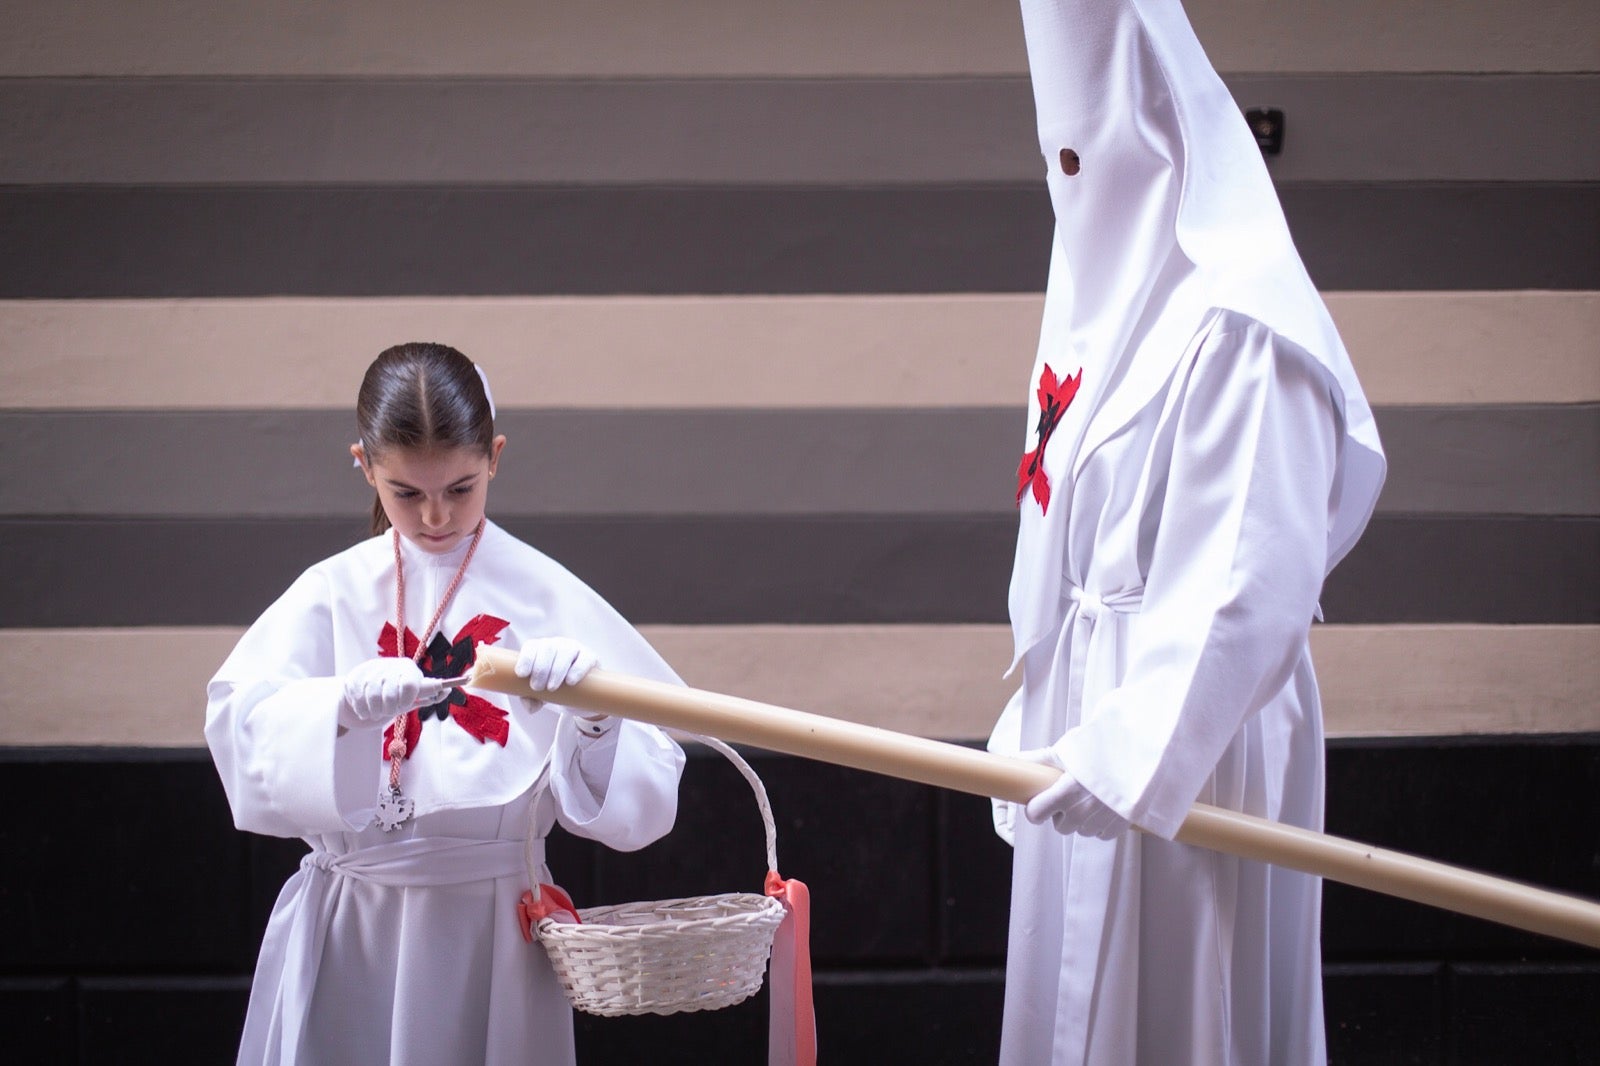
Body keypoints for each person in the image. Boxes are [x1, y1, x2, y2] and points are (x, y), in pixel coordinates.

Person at [986, 1, 1387, 1063]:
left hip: (1194, 740)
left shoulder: (1245, 325)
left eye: (1088, 150)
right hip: (1082, 719)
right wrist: (1036, 694)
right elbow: (1055, 524)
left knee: (1182, 1006)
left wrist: (1132, 748)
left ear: (1156, 131)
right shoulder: (1093, 307)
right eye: (1056, 155)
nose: (1073, 180)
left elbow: (1246, 582)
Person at [206, 342, 687, 1065]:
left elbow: (645, 794)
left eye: (460, 488)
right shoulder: (331, 590)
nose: (435, 516)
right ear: (364, 465)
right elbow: (243, 733)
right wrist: (337, 711)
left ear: (494, 456)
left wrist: (596, 719)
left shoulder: (545, 592)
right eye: (406, 493)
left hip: (491, 926)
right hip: (352, 920)